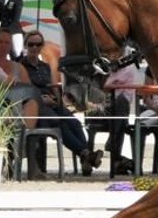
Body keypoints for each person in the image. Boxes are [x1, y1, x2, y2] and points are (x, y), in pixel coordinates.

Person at [18, 29, 101, 176]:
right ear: (26, 46)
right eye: (31, 44)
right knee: (60, 123)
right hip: (36, 104)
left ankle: (85, 156)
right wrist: (43, 99)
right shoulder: (21, 65)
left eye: (38, 44)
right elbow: (27, 89)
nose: (34, 48)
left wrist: (57, 100)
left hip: (51, 102)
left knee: (74, 123)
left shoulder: (45, 66)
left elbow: (53, 86)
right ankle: (86, 155)